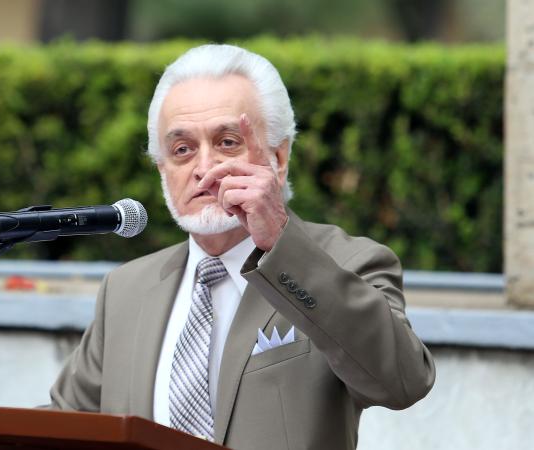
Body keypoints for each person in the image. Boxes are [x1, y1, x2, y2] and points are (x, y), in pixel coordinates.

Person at [49, 44, 435, 450]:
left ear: (279, 158)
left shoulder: (347, 262)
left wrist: (281, 245)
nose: (204, 168)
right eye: (182, 150)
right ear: (163, 169)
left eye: (228, 142)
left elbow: (404, 382)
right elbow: (65, 427)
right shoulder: (126, 289)